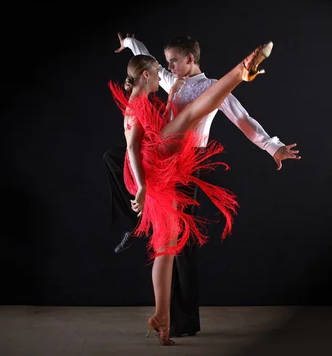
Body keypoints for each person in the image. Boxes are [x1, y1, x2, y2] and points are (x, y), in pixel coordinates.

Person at [103, 33, 301, 337]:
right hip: (160, 157)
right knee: (182, 120)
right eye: (163, 65)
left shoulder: (207, 87)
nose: (166, 68)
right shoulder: (170, 79)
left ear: (190, 60)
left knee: (177, 245)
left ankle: (173, 319)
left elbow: (243, 119)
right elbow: (146, 64)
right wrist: (130, 42)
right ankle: (240, 71)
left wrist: (272, 146)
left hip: (185, 163)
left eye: (172, 62)